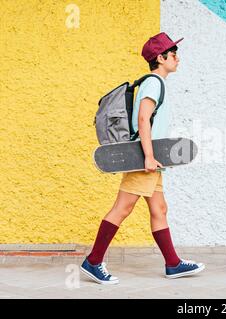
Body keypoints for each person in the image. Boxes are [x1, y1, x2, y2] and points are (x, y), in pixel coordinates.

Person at [80, 32, 205, 285]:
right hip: (144, 159)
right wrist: (148, 156)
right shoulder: (153, 83)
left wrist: (153, 157)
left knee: (159, 209)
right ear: (161, 57)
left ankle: (173, 263)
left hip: (152, 160)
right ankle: (93, 261)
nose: (177, 58)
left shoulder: (158, 82)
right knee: (122, 208)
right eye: (173, 54)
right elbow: (142, 119)